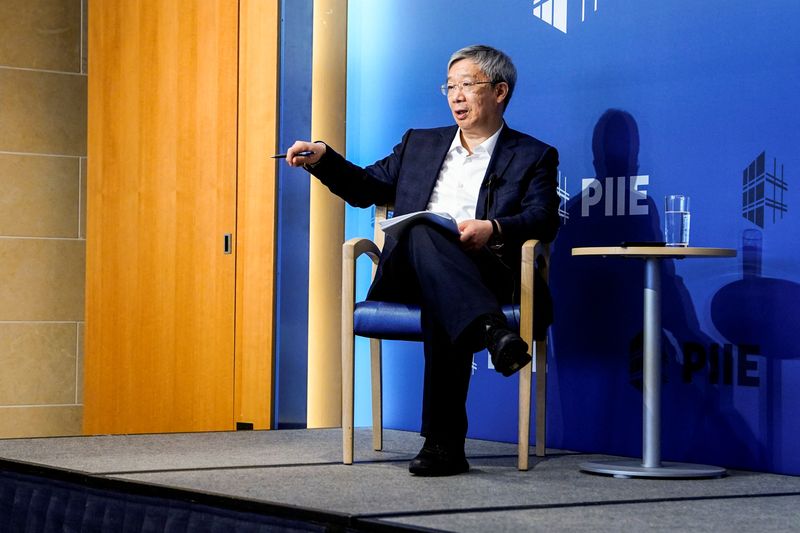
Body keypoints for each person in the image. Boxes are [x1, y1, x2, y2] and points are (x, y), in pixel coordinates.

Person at [285, 45, 560, 476]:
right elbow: (365, 187)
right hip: (407, 273)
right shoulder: (420, 143)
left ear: (500, 91)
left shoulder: (533, 155)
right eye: (450, 87)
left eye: (468, 85)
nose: (456, 96)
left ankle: (444, 447)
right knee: (422, 229)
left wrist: (494, 228)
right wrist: (323, 157)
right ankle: (490, 331)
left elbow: (543, 218)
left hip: (488, 271)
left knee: (445, 299)